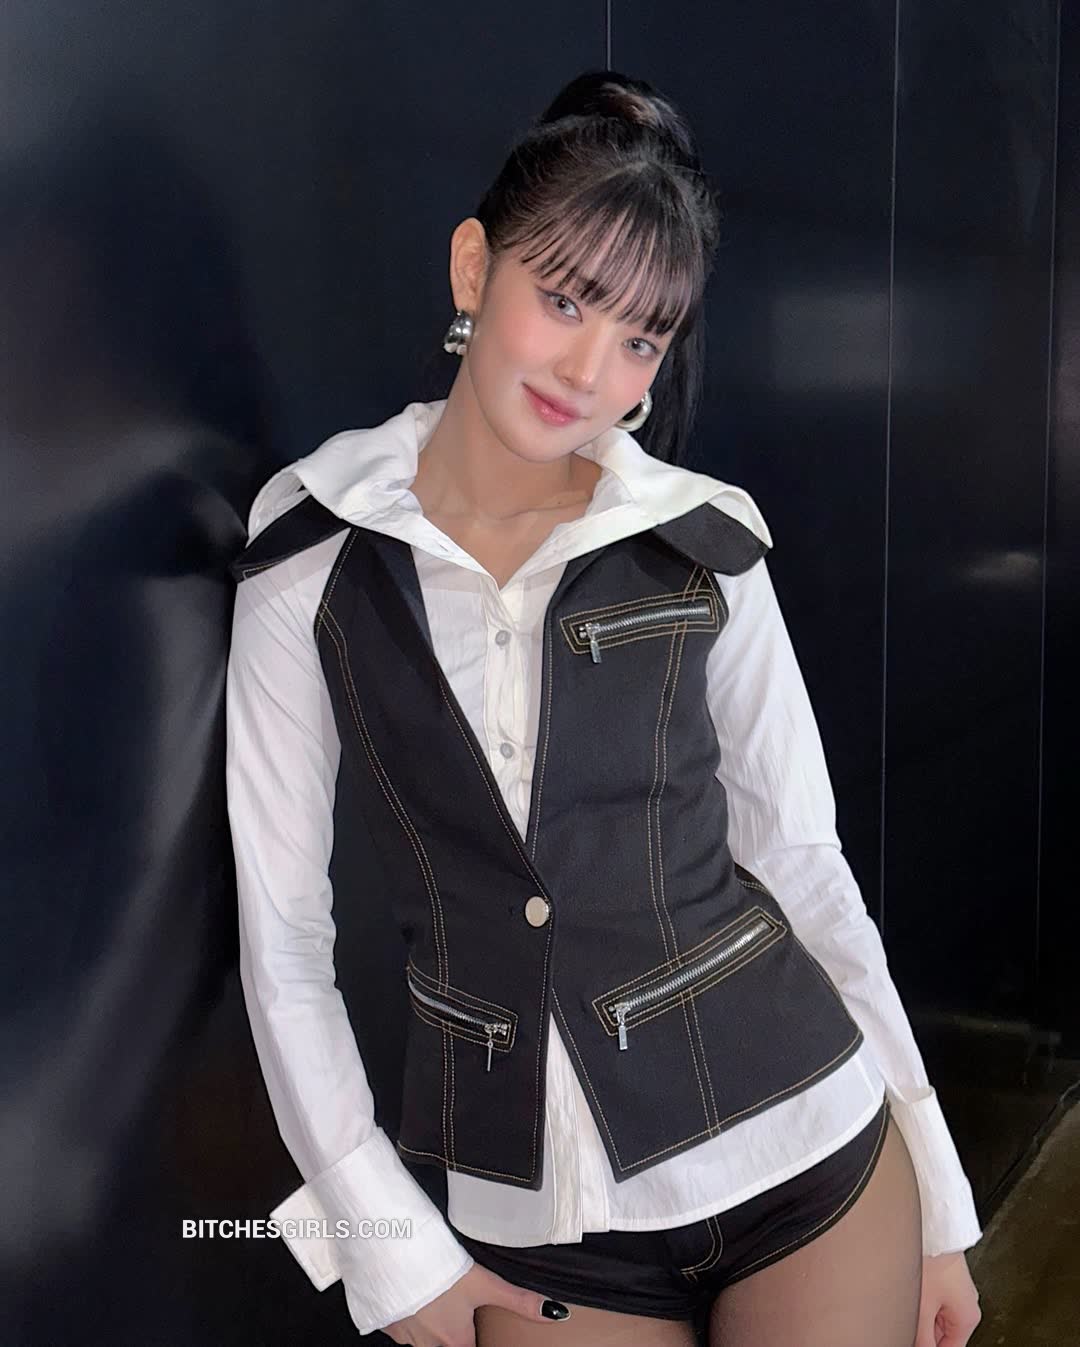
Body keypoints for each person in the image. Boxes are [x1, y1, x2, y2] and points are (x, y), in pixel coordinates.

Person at [225, 70, 983, 1347]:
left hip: (810, 1152)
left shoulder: (706, 541)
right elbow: (285, 940)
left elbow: (804, 866)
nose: (591, 371)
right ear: (474, 269)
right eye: (565, 300)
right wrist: (385, 1251)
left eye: (641, 338)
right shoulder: (311, 551)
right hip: (533, 1221)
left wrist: (942, 1201)